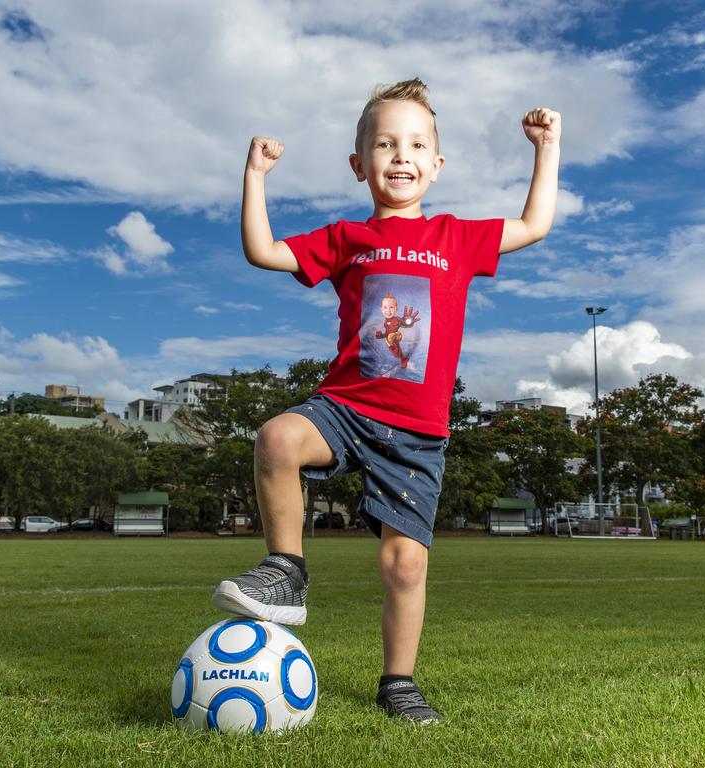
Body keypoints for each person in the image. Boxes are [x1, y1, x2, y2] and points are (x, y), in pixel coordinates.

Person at [212, 78, 561, 723]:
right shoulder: (347, 238)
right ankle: (285, 569)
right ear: (359, 165)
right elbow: (261, 251)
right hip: (345, 408)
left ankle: (398, 682)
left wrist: (547, 147)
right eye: (384, 144)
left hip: (417, 432)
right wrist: (255, 174)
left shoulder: (457, 237)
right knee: (276, 438)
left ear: (436, 164)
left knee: (403, 565)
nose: (401, 155)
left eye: (416, 144)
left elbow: (536, 224)